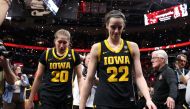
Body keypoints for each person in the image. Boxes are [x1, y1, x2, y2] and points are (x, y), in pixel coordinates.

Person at [79, 10, 156, 109]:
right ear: (107, 25)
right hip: (104, 101)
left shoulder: (132, 47)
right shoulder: (97, 48)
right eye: (113, 27)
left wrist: (148, 99)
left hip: (127, 101)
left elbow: (139, 76)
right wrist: (81, 106)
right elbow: (89, 79)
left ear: (123, 27)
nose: (116, 31)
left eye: (119, 27)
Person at [25, 29, 83, 109]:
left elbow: (80, 77)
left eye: (65, 42)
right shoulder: (46, 54)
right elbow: (38, 77)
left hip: (65, 97)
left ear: (69, 42)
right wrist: (30, 100)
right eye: (59, 42)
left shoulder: (74, 55)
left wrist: (82, 97)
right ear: (55, 41)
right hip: (48, 96)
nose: (62, 45)